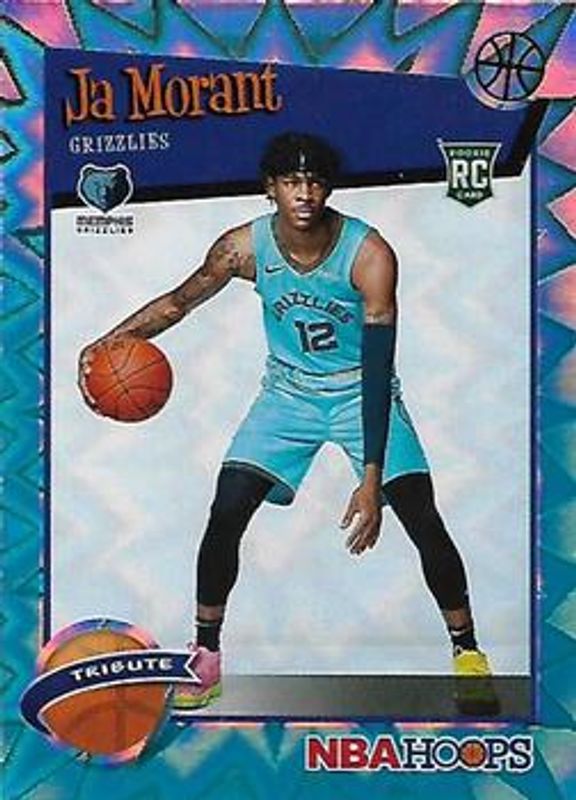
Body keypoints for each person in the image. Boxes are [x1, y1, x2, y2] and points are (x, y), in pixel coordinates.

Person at [79, 132, 499, 715]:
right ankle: (206, 656)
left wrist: (371, 480)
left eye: (315, 182)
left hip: (359, 391)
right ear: (270, 188)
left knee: (420, 514)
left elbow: (379, 367)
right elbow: (178, 302)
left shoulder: (369, 254)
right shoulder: (242, 249)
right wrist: (107, 342)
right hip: (287, 396)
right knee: (227, 508)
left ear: (329, 188)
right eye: (291, 182)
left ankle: (468, 654)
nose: (304, 194)